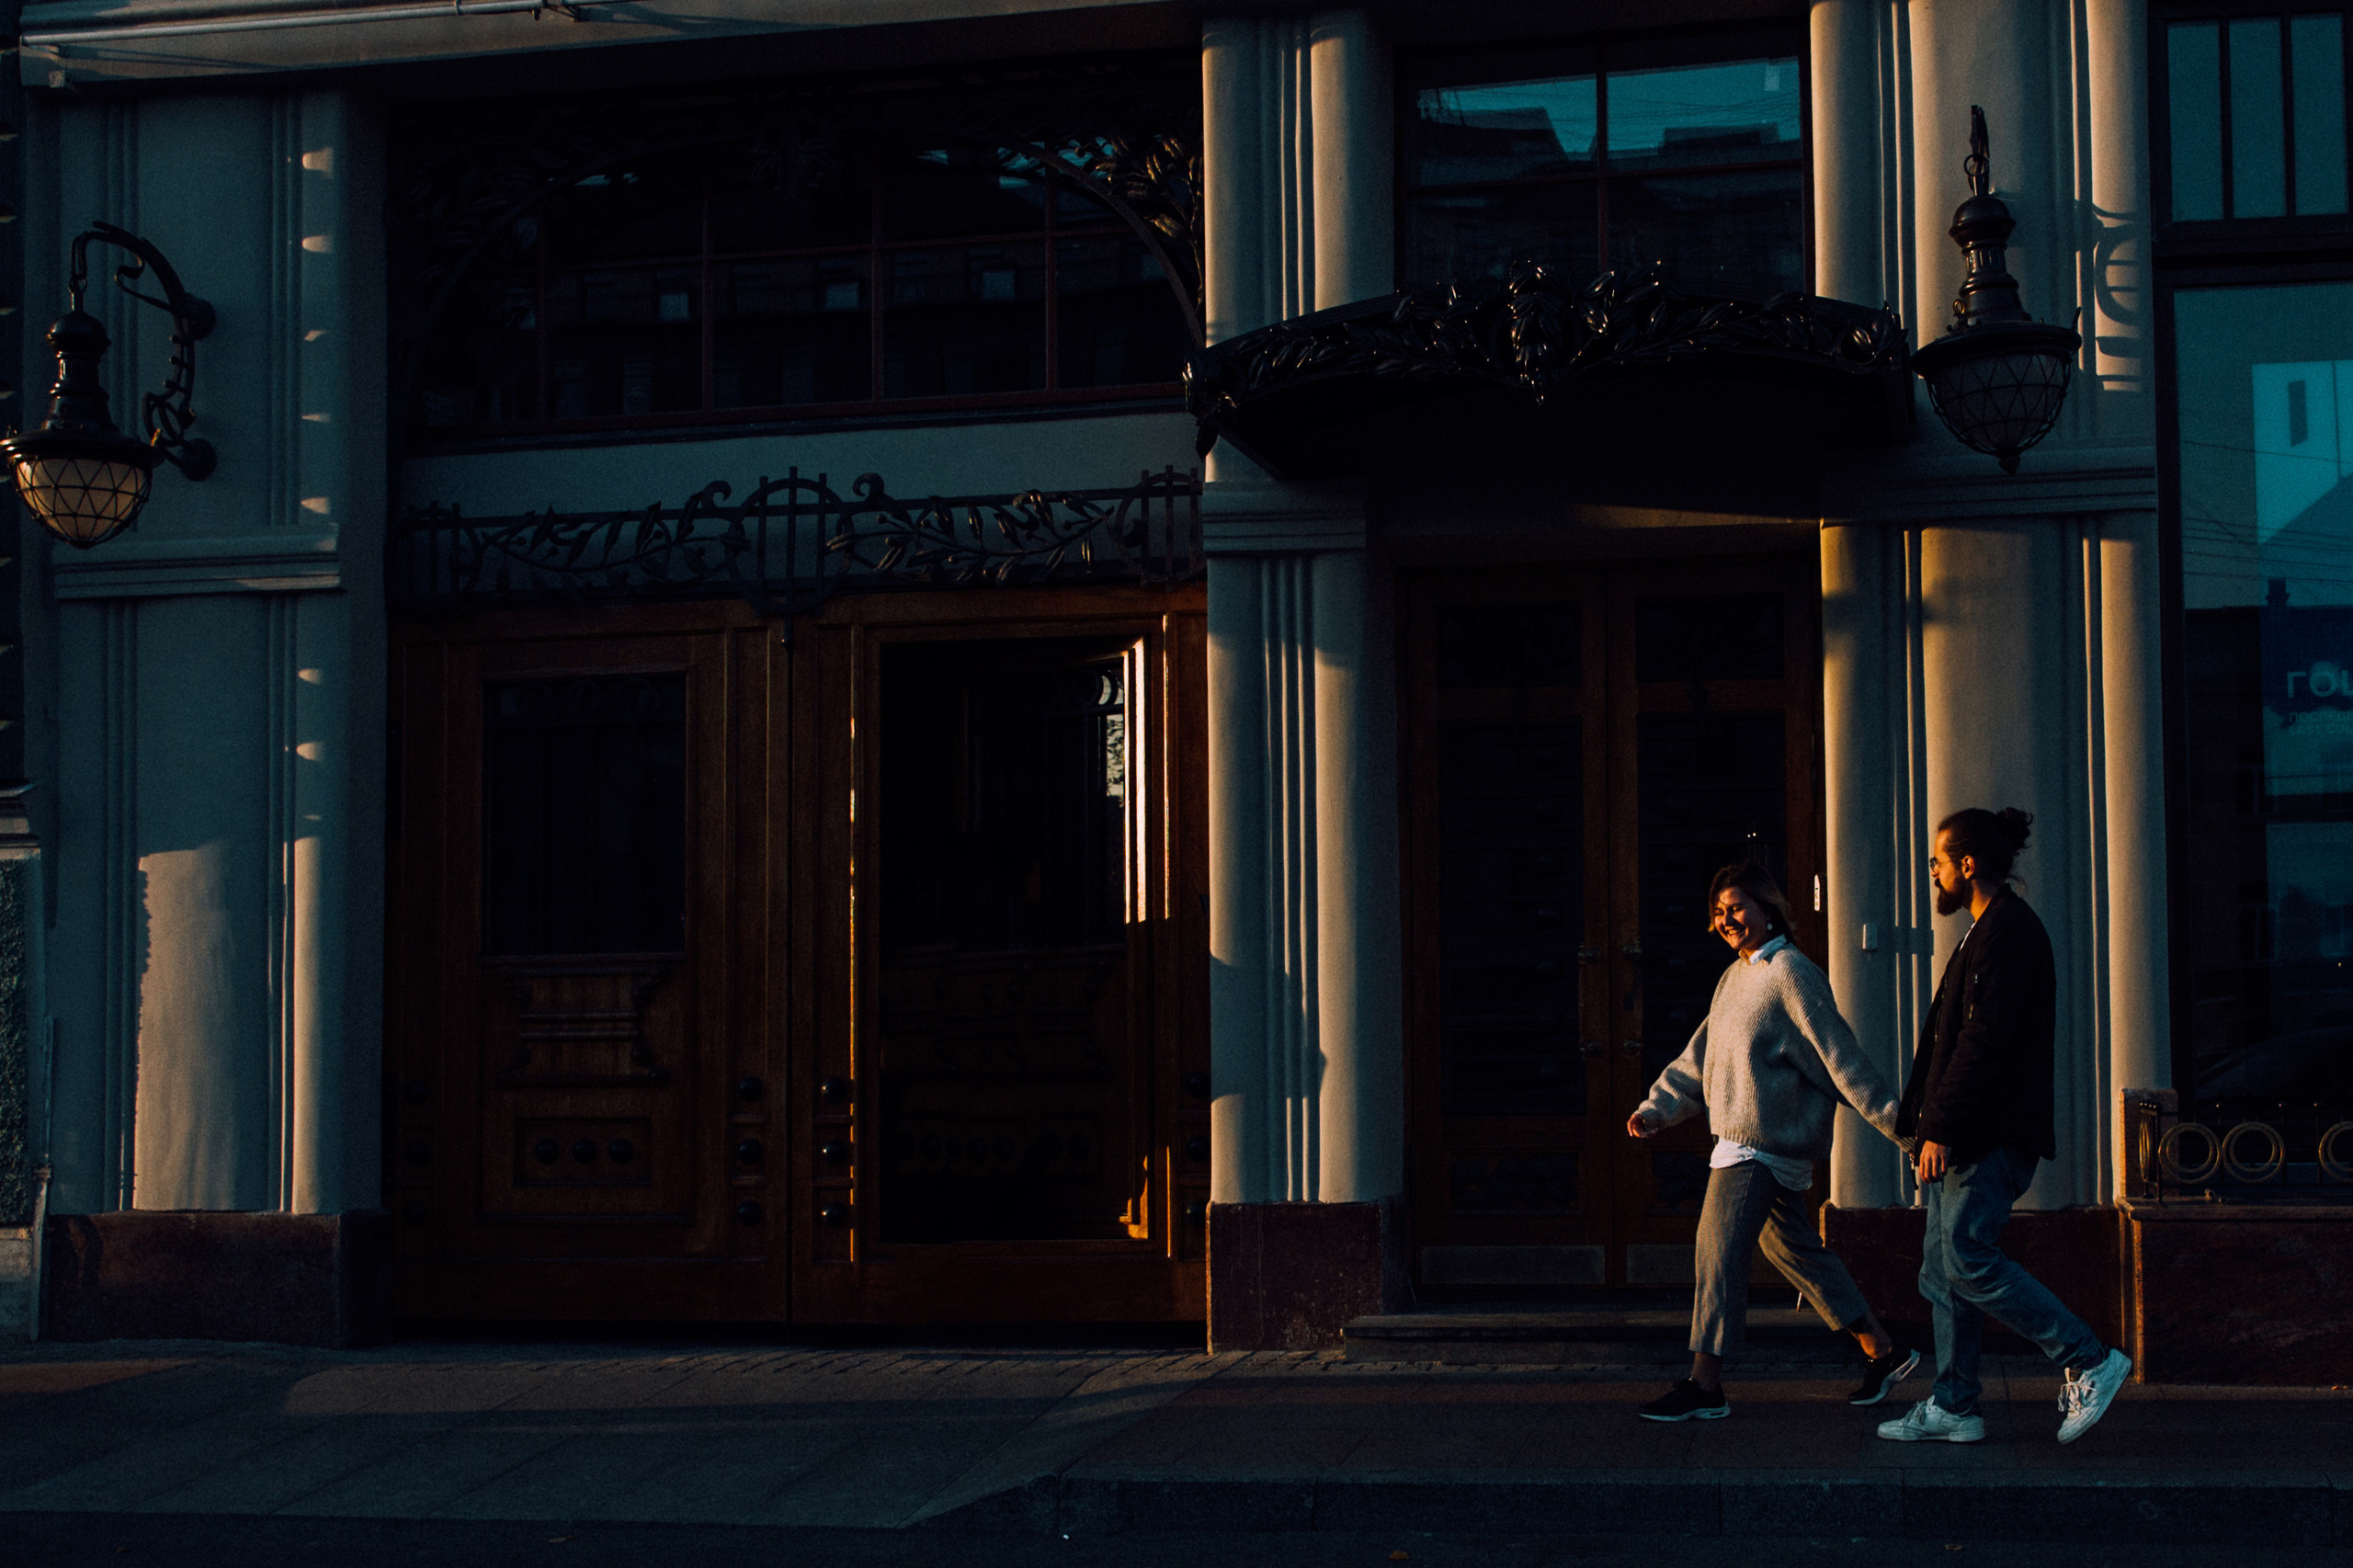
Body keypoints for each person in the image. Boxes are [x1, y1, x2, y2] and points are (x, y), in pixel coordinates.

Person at [1876, 807, 2132, 1446]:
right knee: (1941, 1270)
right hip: (1968, 1132)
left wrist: (1938, 1128)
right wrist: (1931, 1127)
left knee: (1965, 1257)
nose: (1931, 873)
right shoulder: (1982, 931)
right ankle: (1956, 1405)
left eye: (1938, 862)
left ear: (1969, 865)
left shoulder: (2007, 932)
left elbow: (1983, 1043)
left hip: (1985, 1134)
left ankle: (2089, 1357)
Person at [1626, 861, 1917, 1422]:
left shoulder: (1791, 973)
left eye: (1737, 907)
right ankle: (1884, 1348)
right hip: (1740, 1142)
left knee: (1716, 1253)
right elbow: (1699, 1059)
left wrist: (1903, 1129)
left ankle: (1705, 1385)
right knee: (1791, 1250)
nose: (1728, 919)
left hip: (1760, 1146)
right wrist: (1658, 1108)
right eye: (1720, 912)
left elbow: (1841, 1058)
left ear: (1767, 908)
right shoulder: (1736, 978)